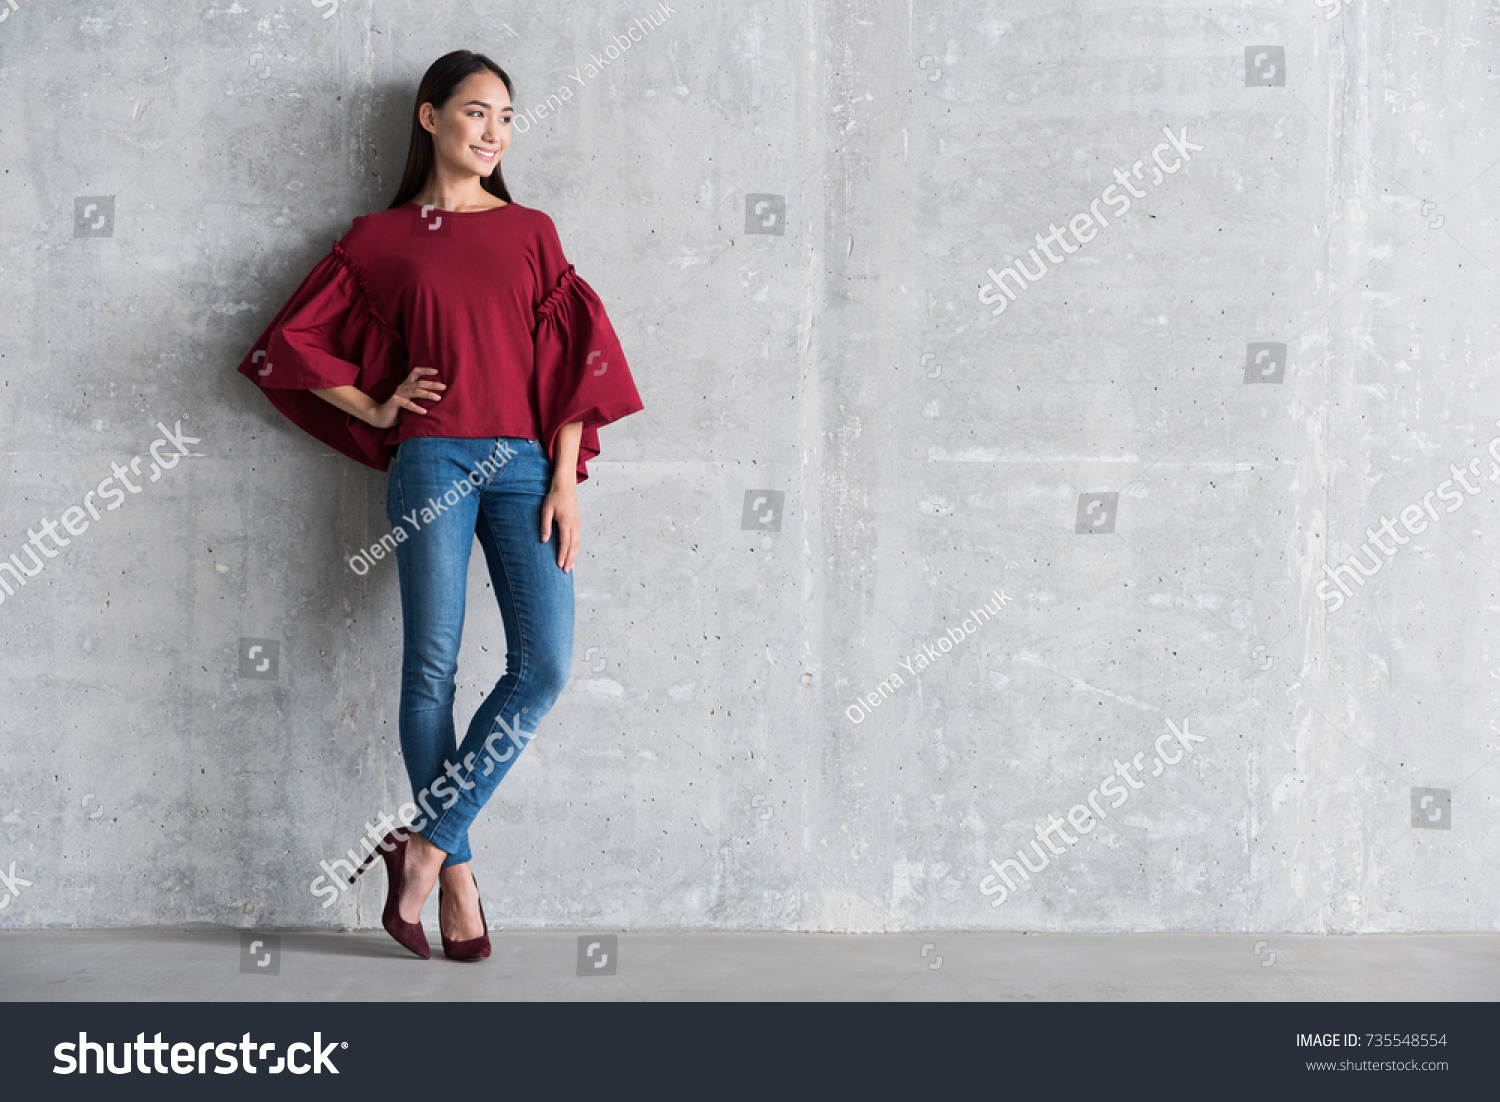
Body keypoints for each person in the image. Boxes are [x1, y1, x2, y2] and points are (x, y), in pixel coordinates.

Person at [234, 50, 643, 960]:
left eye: (505, 117)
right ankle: (454, 880)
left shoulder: (532, 231)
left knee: (544, 667)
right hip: (431, 462)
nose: (493, 132)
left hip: (527, 465)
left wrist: (568, 481)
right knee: (432, 668)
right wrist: (376, 407)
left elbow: (577, 356)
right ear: (429, 119)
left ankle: (420, 844)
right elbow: (288, 344)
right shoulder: (379, 239)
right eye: (475, 113)